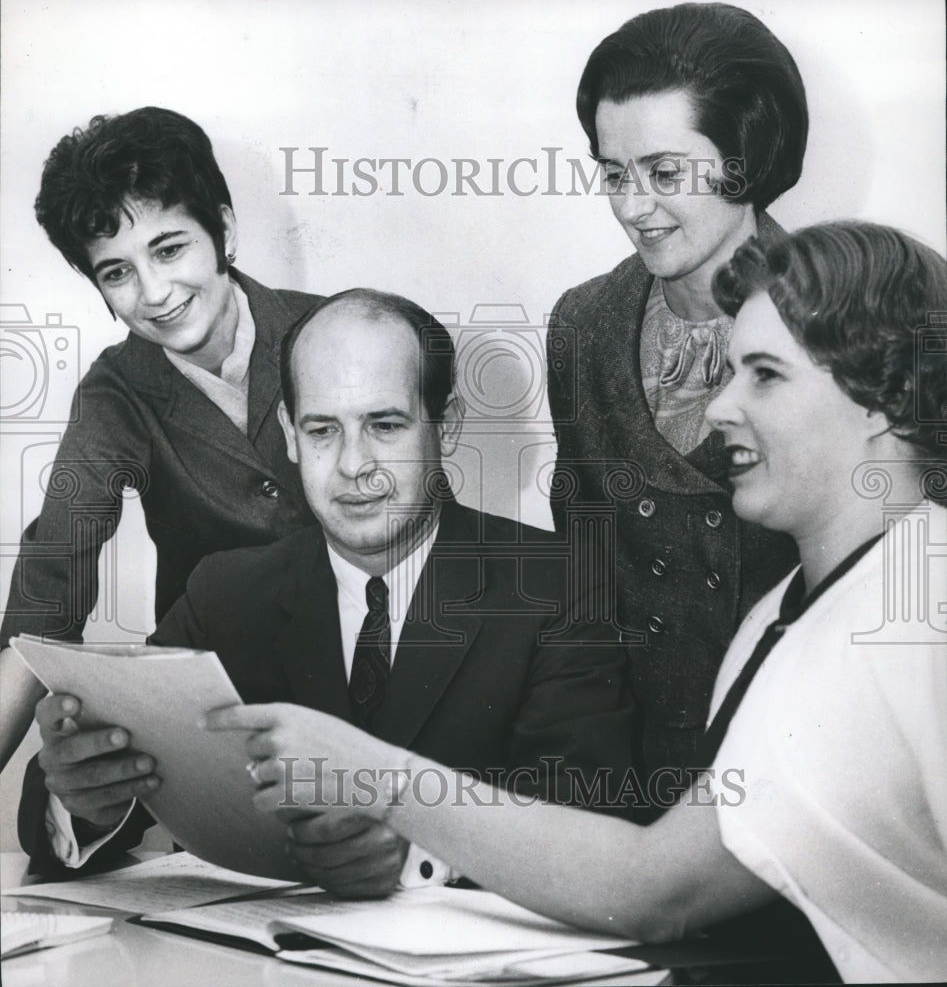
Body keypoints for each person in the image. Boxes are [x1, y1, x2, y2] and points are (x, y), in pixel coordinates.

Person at [212, 222, 947, 983]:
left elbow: (657, 890)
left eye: (763, 374)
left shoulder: (907, 617)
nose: (720, 406)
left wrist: (372, 775)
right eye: (728, 371)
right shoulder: (797, 606)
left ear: (883, 396)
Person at [19, 289, 633, 895]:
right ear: (289, 434)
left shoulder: (558, 584)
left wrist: (425, 853)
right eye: (322, 430)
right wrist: (88, 800)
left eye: (385, 425)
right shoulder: (223, 593)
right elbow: (103, 795)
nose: (351, 465)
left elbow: (589, 826)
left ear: (446, 427)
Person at [0, 107, 323, 772]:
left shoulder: (335, 330)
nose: (154, 292)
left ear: (224, 231)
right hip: (218, 712)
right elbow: (46, 595)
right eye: (116, 272)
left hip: (375, 687)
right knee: (65, 792)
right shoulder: (116, 392)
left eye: (169, 248)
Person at [546, 2, 807, 808]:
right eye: (613, 173)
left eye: (663, 173)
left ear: (744, 157)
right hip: (635, 774)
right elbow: (583, 575)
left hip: (796, 767)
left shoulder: (851, 312)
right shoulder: (582, 323)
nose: (631, 207)